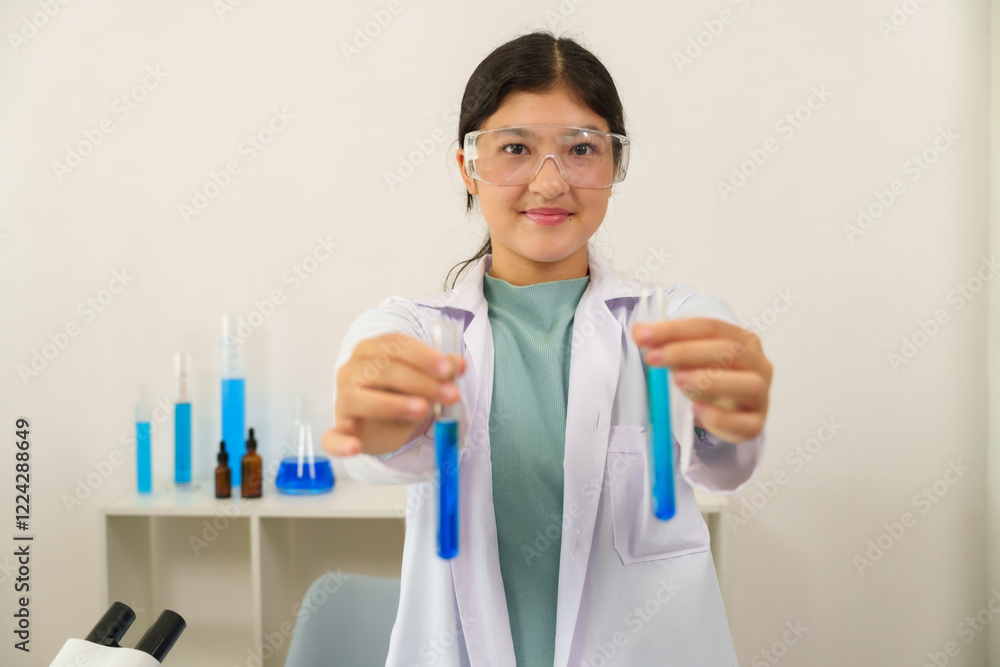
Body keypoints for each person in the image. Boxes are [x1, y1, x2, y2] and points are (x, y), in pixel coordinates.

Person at [322, 31, 773, 667]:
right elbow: (377, 438)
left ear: (614, 168)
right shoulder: (416, 329)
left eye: (582, 149)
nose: (550, 181)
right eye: (514, 149)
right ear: (468, 168)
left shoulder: (676, 322)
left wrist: (728, 413)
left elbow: (725, 461)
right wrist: (375, 414)